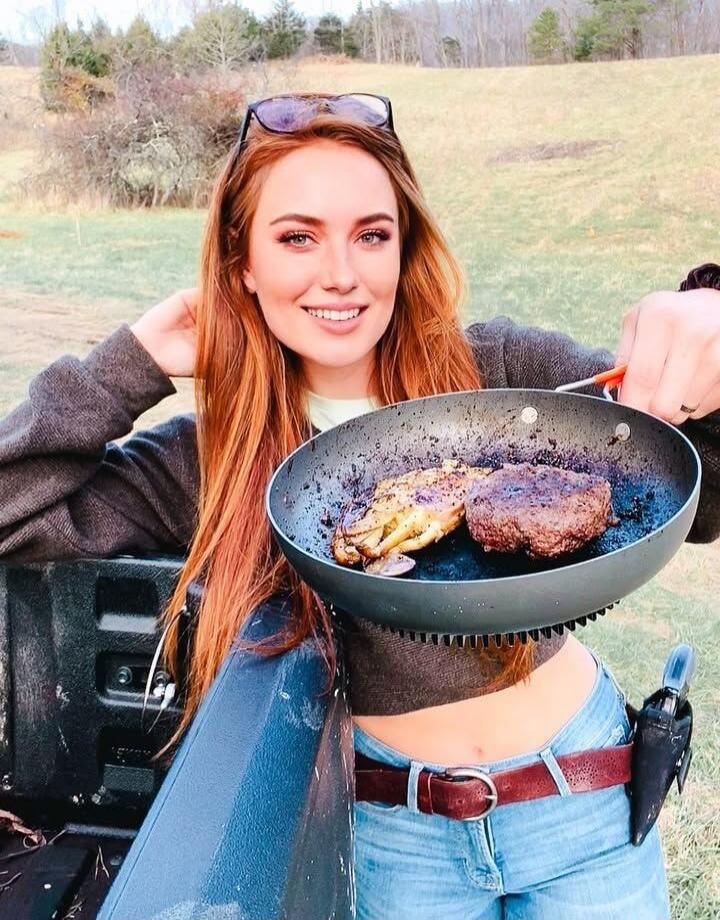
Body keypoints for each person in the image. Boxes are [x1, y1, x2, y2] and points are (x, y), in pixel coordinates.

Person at [1, 92, 720, 919]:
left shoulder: (498, 371)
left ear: (402, 248)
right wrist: (127, 365)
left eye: (371, 234)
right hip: (394, 835)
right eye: (297, 237)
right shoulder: (210, 459)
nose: (340, 273)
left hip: (582, 795)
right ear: (243, 261)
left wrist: (708, 325)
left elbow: (698, 490)